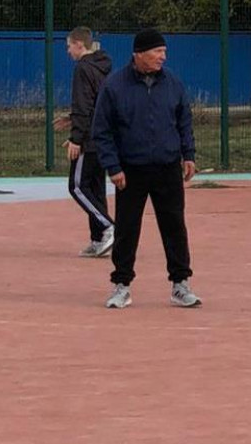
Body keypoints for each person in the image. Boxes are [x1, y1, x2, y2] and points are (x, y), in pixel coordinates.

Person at [92, 28, 201, 309]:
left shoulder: (173, 84)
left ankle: (180, 285)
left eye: (164, 52)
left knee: (174, 226)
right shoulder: (114, 86)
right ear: (139, 54)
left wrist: (188, 154)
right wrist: (113, 167)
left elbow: (184, 121)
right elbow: (101, 130)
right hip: (130, 170)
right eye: (157, 52)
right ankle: (122, 286)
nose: (163, 57)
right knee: (127, 229)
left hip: (167, 168)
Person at [53, 26, 114, 258]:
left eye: (69, 46)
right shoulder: (103, 67)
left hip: (88, 140)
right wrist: (72, 119)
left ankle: (109, 227)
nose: (68, 51)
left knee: (76, 186)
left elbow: (84, 104)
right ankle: (99, 239)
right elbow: (98, 103)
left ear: (79, 44)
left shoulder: (82, 69)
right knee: (96, 188)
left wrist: (76, 138)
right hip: (103, 137)